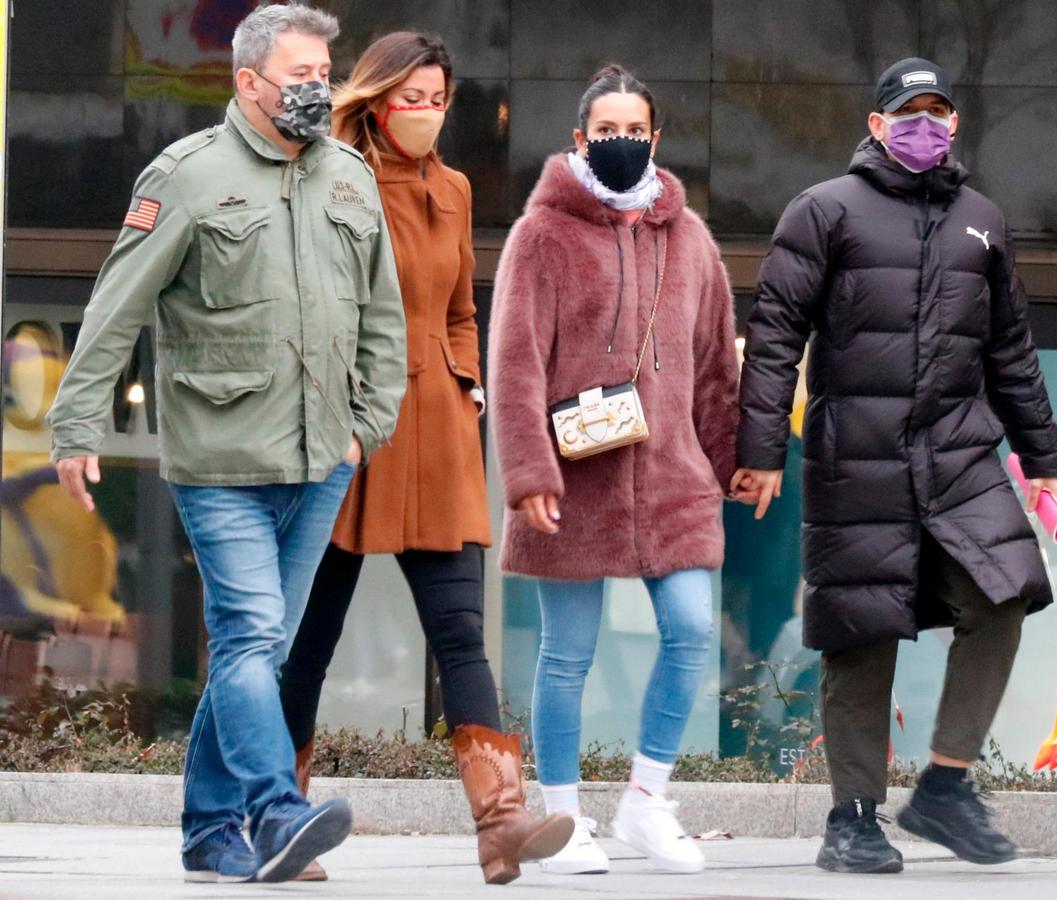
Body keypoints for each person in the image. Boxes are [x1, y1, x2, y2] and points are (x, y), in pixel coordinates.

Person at [45, 3, 406, 884]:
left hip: (323, 458)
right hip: (221, 458)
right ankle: (278, 809)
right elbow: (116, 306)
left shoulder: (352, 179)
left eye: (326, 73)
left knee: (263, 646)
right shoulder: (188, 176)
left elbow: (384, 321)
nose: (317, 89)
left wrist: (367, 426)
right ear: (248, 83)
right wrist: (77, 424)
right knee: (249, 634)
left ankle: (211, 834)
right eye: (299, 77)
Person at [733, 57, 1057, 874]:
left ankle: (946, 785)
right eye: (906, 111)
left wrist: (1044, 463)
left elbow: (1012, 353)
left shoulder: (984, 221)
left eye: (937, 111)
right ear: (878, 124)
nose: (923, 124)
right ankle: (851, 821)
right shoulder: (823, 210)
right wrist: (760, 453)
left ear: (954, 124)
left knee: (1009, 589)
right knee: (860, 632)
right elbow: (776, 332)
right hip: (859, 456)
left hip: (960, 453)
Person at [275, 31, 573, 885]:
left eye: (439, 98)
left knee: (460, 633)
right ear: (375, 99)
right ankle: (280, 817)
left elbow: (460, 307)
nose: (427, 114)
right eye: (412, 98)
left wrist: (467, 382)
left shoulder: (455, 187)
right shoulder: (328, 175)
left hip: (437, 426)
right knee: (310, 639)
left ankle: (501, 823)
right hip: (348, 428)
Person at [488, 64, 740, 876]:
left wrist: (732, 461)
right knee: (567, 653)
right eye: (608, 131)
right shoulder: (541, 236)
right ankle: (561, 820)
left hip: (674, 479)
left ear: (656, 139)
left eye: (636, 130)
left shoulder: (690, 239)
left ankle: (643, 802)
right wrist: (529, 472)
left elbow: (713, 367)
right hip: (575, 480)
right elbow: (515, 361)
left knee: (693, 626)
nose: (623, 142)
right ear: (580, 138)